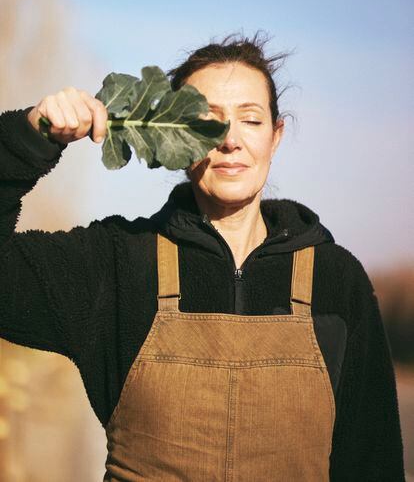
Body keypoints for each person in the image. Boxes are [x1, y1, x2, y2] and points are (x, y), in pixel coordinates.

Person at [0, 33, 405, 481]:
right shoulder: (115, 264)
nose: (229, 140)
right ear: (171, 140)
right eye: (206, 122)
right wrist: (27, 140)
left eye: (251, 120)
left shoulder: (336, 277)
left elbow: (373, 461)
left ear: (276, 135)